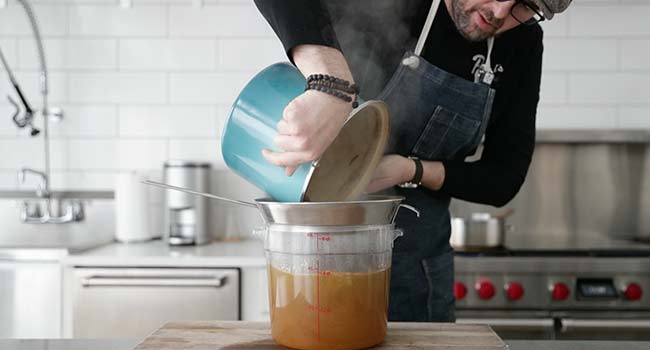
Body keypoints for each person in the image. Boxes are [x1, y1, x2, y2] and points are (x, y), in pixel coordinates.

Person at [254, 0, 573, 322]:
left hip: (417, 271)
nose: (500, 12)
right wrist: (330, 80)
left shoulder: (522, 43)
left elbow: (504, 178)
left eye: (526, 6)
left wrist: (411, 170)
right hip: (310, 257)